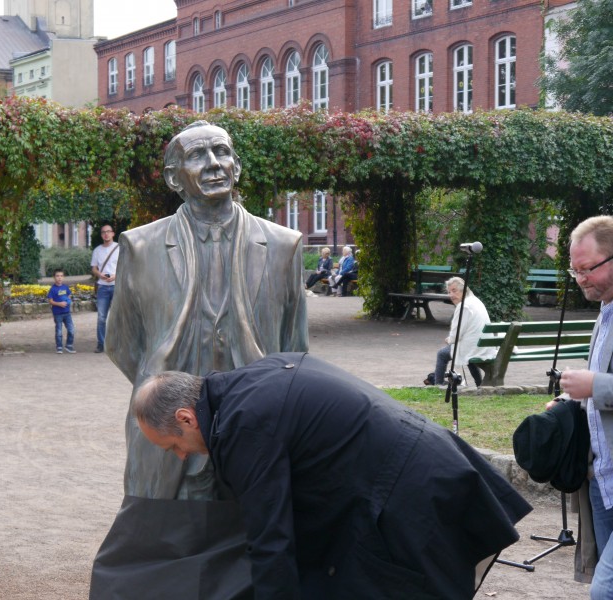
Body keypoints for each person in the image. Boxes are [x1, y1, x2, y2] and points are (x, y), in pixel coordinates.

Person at [91, 121, 307, 599]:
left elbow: (294, 348)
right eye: (197, 156)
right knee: (159, 539)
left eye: (222, 152)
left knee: (252, 533)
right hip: (171, 428)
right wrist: (162, 394)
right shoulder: (140, 245)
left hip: (253, 423)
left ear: (237, 166)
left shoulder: (284, 245)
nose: (213, 165)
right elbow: (122, 342)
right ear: (175, 177)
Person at [133, 352, 532, 600]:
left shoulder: (243, 426)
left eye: (173, 446)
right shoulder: (255, 378)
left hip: (414, 494)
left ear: (186, 417)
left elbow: (271, 539)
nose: (181, 456)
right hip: (429, 464)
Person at [553, 215, 613, 598]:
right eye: (574, 270)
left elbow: (601, 384)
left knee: (603, 591)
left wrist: (595, 385)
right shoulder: (605, 312)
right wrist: (569, 399)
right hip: (602, 482)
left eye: (587, 268)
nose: (580, 279)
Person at [425, 276, 495, 387]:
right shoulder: (476, 301)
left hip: (473, 347)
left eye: (454, 291)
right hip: (483, 346)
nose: (451, 295)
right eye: (449, 292)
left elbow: (456, 333)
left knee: (442, 354)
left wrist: (449, 340)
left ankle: (438, 385)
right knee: (469, 356)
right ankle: (479, 384)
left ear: (463, 290)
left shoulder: (463, 306)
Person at [90, 223, 118, 353]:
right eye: (103, 232)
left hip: (117, 286)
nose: (106, 234)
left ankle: (117, 344)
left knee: (117, 317)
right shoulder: (97, 250)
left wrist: (115, 276)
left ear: (113, 233)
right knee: (101, 317)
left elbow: (125, 265)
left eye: (108, 231)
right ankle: (101, 343)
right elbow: (94, 268)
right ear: (101, 235)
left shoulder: (119, 248)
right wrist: (100, 274)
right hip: (102, 287)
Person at [46, 269, 75, 354]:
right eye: (57, 276)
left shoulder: (65, 287)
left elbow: (69, 295)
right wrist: (59, 304)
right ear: (54, 277)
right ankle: (59, 347)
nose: (59, 278)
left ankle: (69, 345)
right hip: (58, 313)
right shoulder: (52, 289)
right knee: (59, 331)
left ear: (63, 277)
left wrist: (68, 301)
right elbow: (50, 301)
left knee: (71, 330)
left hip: (67, 313)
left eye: (61, 276)